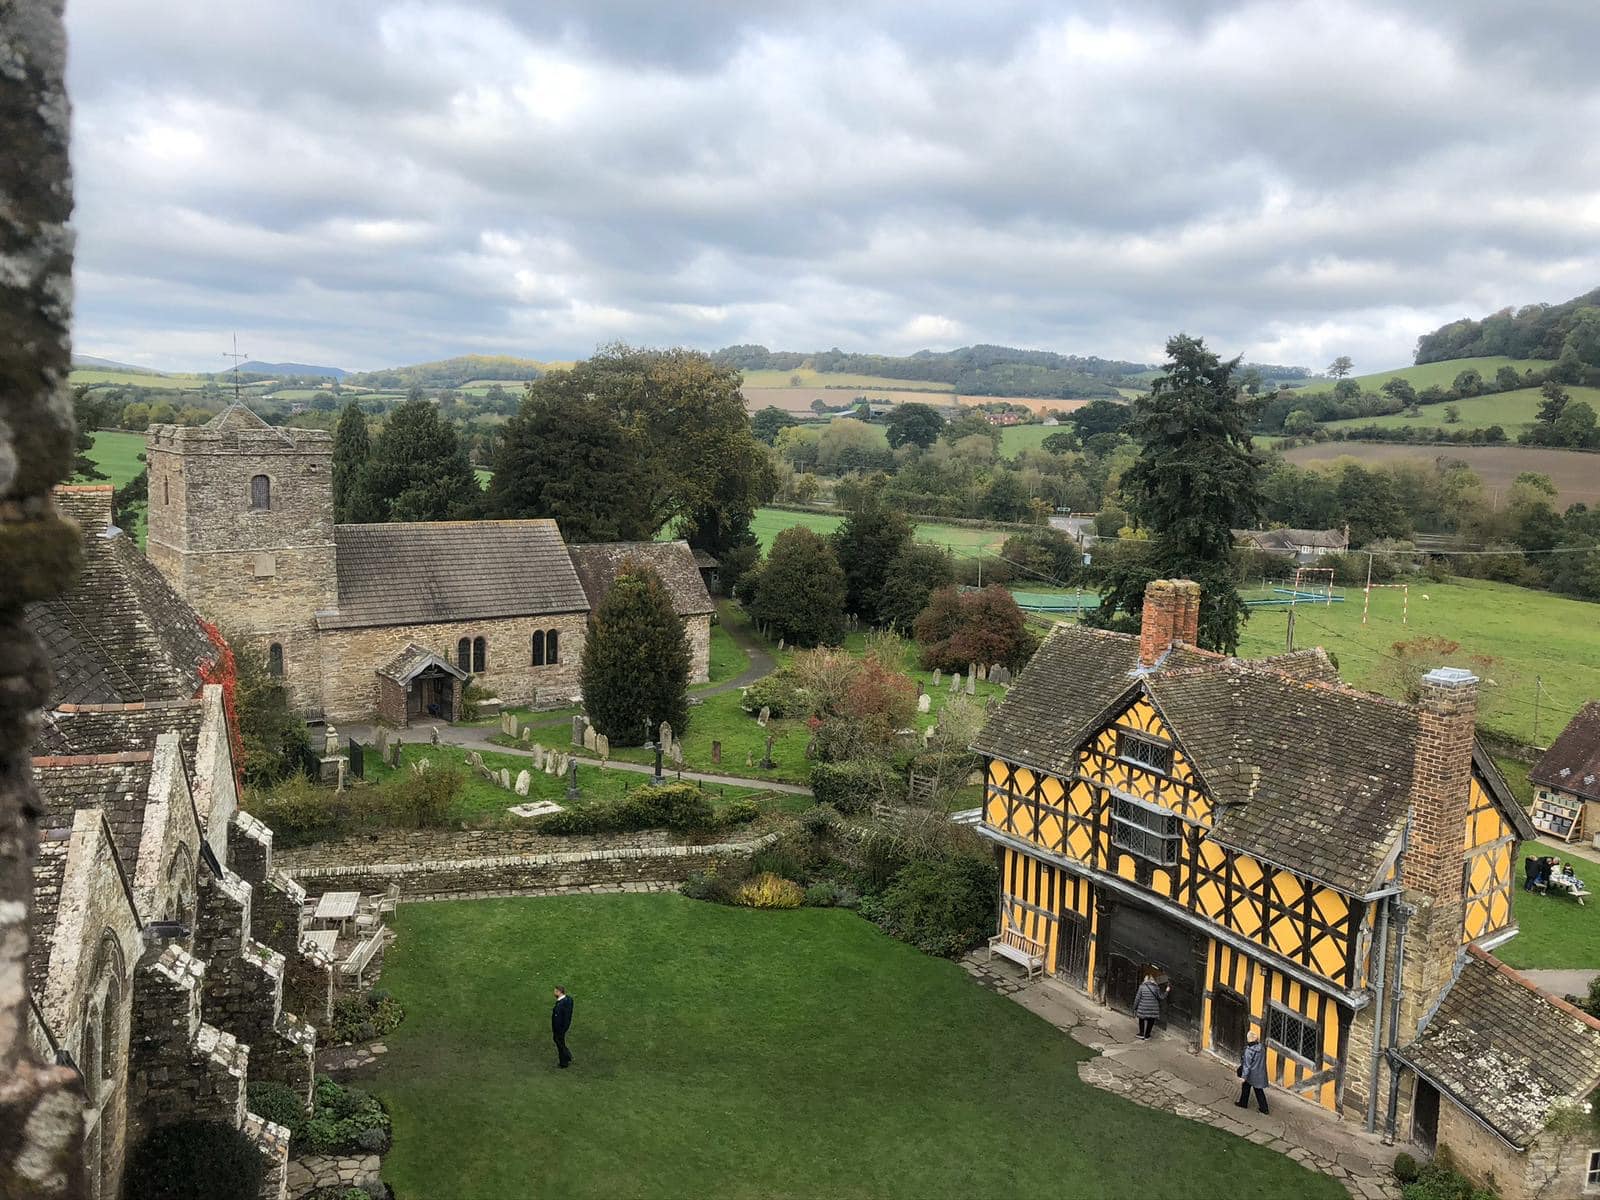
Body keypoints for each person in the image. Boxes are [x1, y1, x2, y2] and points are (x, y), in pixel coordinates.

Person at [1235, 1028, 1269, 1114]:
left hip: (1251, 1074)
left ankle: (1243, 1103)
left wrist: (1243, 1077)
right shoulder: (1261, 1048)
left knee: (1246, 1088)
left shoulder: (1249, 1051)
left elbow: (1247, 1065)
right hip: (1259, 1073)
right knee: (1259, 1090)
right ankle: (1264, 1108)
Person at [1132, 972, 1169, 1040]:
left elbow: (1137, 998)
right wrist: (1166, 991)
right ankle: (1147, 1035)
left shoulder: (1141, 987)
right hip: (1153, 1008)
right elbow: (1161, 997)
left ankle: (1141, 1033)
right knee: (1151, 1021)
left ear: (1145, 979)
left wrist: (1134, 1008)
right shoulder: (1156, 987)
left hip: (1143, 1007)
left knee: (1142, 1020)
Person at [551, 985, 574, 1069]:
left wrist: (556, 1029)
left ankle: (564, 1062)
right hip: (565, 1025)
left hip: (559, 1028)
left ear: (559, 992)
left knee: (559, 1042)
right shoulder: (569, 1000)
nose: (554, 993)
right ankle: (567, 1056)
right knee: (561, 1042)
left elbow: (557, 1019)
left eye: (555, 991)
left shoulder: (559, 1005)